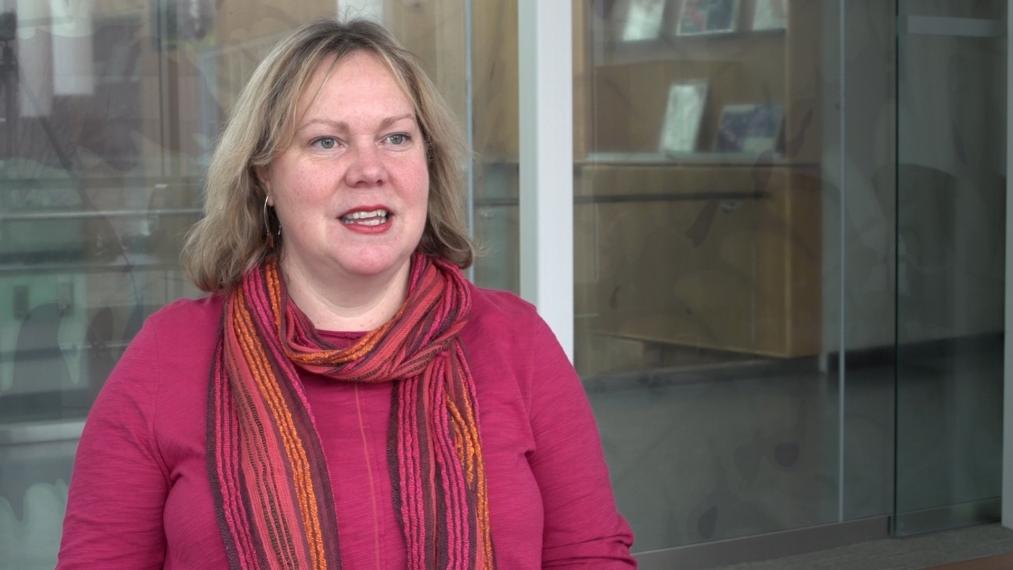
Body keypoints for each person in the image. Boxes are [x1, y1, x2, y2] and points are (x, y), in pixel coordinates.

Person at [57, 19, 635, 569]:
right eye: (327, 142)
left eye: (396, 137)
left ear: (428, 164)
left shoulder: (516, 342)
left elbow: (590, 557)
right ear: (264, 175)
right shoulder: (171, 355)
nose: (369, 169)